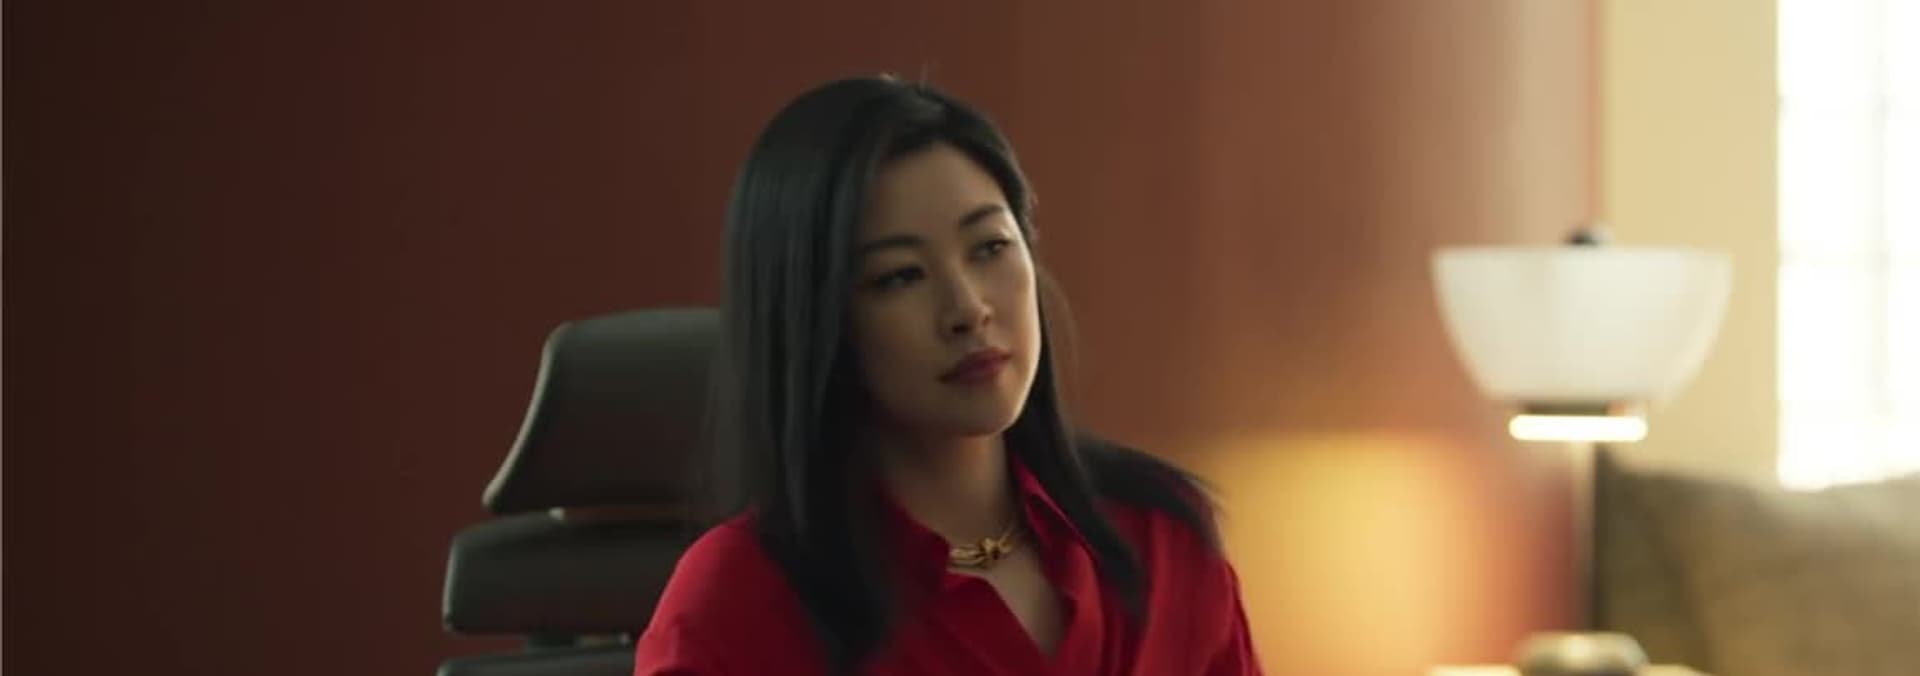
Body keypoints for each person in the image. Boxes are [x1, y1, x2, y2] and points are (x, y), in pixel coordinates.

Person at [632, 76, 1260, 675]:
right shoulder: (737, 605)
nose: (967, 308)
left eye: (989, 247)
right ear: (815, 318)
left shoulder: (1163, 539)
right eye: (900, 276)